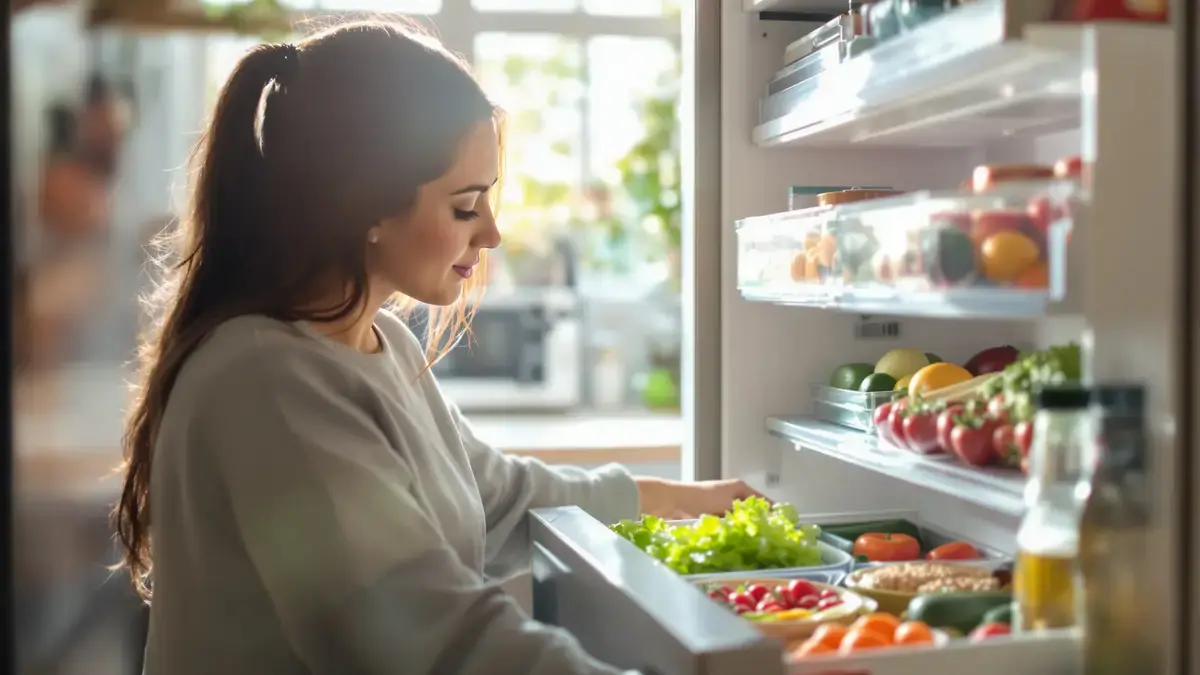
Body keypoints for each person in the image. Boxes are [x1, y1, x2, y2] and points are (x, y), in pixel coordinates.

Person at [113, 20, 764, 675]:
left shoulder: (380, 342)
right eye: (465, 206)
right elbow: (429, 637)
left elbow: (498, 496)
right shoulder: (266, 380)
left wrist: (690, 499)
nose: (493, 234)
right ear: (366, 205)